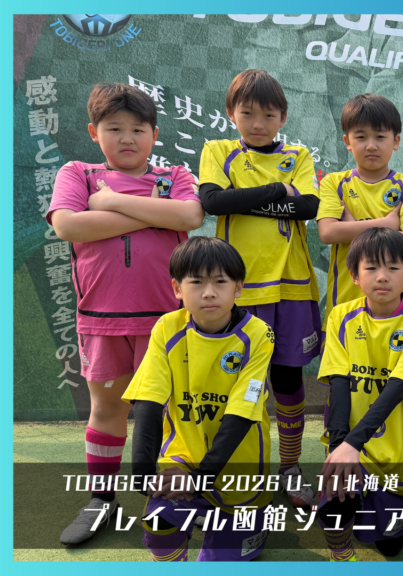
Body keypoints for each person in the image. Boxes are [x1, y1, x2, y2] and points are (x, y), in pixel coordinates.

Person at [48, 83, 205, 545]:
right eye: (114, 128)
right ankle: (101, 499)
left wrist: (111, 202)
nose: (127, 137)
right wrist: (157, 214)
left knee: (176, 410)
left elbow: (190, 217)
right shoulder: (78, 173)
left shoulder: (174, 175)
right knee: (107, 408)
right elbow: (68, 225)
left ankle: (177, 496)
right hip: (101, 319)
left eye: (138, 129)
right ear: (93, 132)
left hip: (168, 322)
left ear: (155, 134)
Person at [198, 69, 321, 507]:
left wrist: (247, 199)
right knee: (238, 385)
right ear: (231, 113)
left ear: (282, 118)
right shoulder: (218, 151)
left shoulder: (298, 156)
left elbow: (307, 207)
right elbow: (213, 201)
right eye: (247, 113)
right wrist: (275, 191)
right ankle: (239, 470)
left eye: (269, 115)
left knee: (287, 381)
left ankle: (289, 467)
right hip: (238, 290)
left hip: (292, 288)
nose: (258, 123)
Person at [123, 236, 275, 561]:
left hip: (237, 467)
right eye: (196, 282)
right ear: (177, 288)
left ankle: (242, 523)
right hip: (183, 458)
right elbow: (148, 401)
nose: (208, 292)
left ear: (238, 288)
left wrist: (199, 479)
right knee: (159, 525)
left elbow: (239, 416)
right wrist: (143, 473)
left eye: (220, 282)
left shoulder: (259, 334)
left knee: (223, 560)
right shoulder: (166, 327)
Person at [317, 228, 403, 561]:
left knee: (390, 544)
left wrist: (352, 444)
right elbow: (339, 384)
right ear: (355, 276)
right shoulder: (341, 316)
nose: (382, 277)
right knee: (334, 508)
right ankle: (343, 555)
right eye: (371, 268)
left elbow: (397, 388)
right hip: (349, 440)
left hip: (398, 451)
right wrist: (340, 446)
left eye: (393, 268)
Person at [317, 94, 403, 318]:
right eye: (361, 137)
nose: (371, 145)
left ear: (395, 141)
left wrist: (352, 229)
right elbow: (328, 233)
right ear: (347, 142)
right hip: (347, 301)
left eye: (380, 136)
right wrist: (387, 224)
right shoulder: (333, 183)